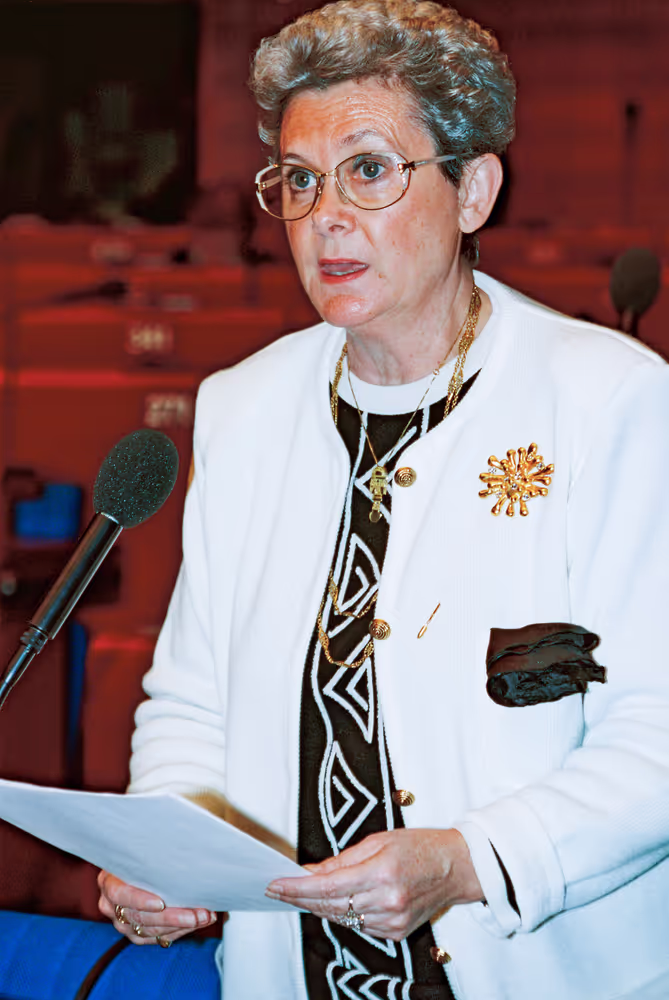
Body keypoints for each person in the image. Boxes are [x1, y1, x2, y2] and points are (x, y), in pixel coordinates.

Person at [98, 2, 669, 998]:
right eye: (302, 181)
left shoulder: (608, 402)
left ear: (474, 189)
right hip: (291, 973)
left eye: (370, 171)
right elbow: (192, 700)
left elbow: (656, 733)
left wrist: (468, 856)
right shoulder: (243, 408)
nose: (325, 219)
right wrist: (170, 845)